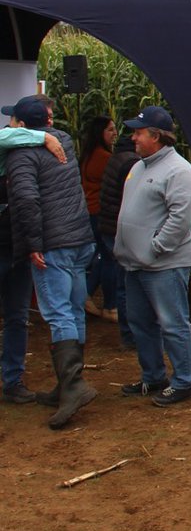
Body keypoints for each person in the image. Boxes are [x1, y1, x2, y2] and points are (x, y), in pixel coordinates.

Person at [5, 95, 98, 428]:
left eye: (12, 120)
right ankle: (67, 383)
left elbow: (27, 199)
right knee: (74, 309)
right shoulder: (65, 142)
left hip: (53, 244)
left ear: (20, 125)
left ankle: (73, 387)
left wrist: (32, 244)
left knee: (57, 312)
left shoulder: (21, 155)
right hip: (79, 238)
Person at [113, 105, 191, 407]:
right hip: (135, 263)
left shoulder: (179, 170)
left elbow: (180, 218)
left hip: (164, 264)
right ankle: (153, 376)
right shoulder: (139, 166)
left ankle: (184, 380)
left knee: (172, 323)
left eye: (138, 132)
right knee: (140, 322)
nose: (133, 137)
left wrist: (156, 248)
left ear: (157, 136)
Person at [0, 117, 69, 404]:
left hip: (16, 250)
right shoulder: (10, 146)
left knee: (17, 316)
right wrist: (44, 139)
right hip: (12, 248)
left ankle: (12, 380)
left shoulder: (21, 157)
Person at [96, 134, 139, 350]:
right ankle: (130, 335)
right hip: (117, 229)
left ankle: (130, 334)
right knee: (126, 283)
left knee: (118, 276)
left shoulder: (117, 157)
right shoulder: (130, 163)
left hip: (109, 226)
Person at [79, 115, 118, 321]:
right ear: (100, 132)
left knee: (101, 257)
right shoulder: (103, 158)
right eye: (110, 129)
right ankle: (110, 305)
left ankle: (85, 293)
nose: (114, 133)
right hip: (100, 212)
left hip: (91, 211)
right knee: (109, 258)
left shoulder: (88, 154)